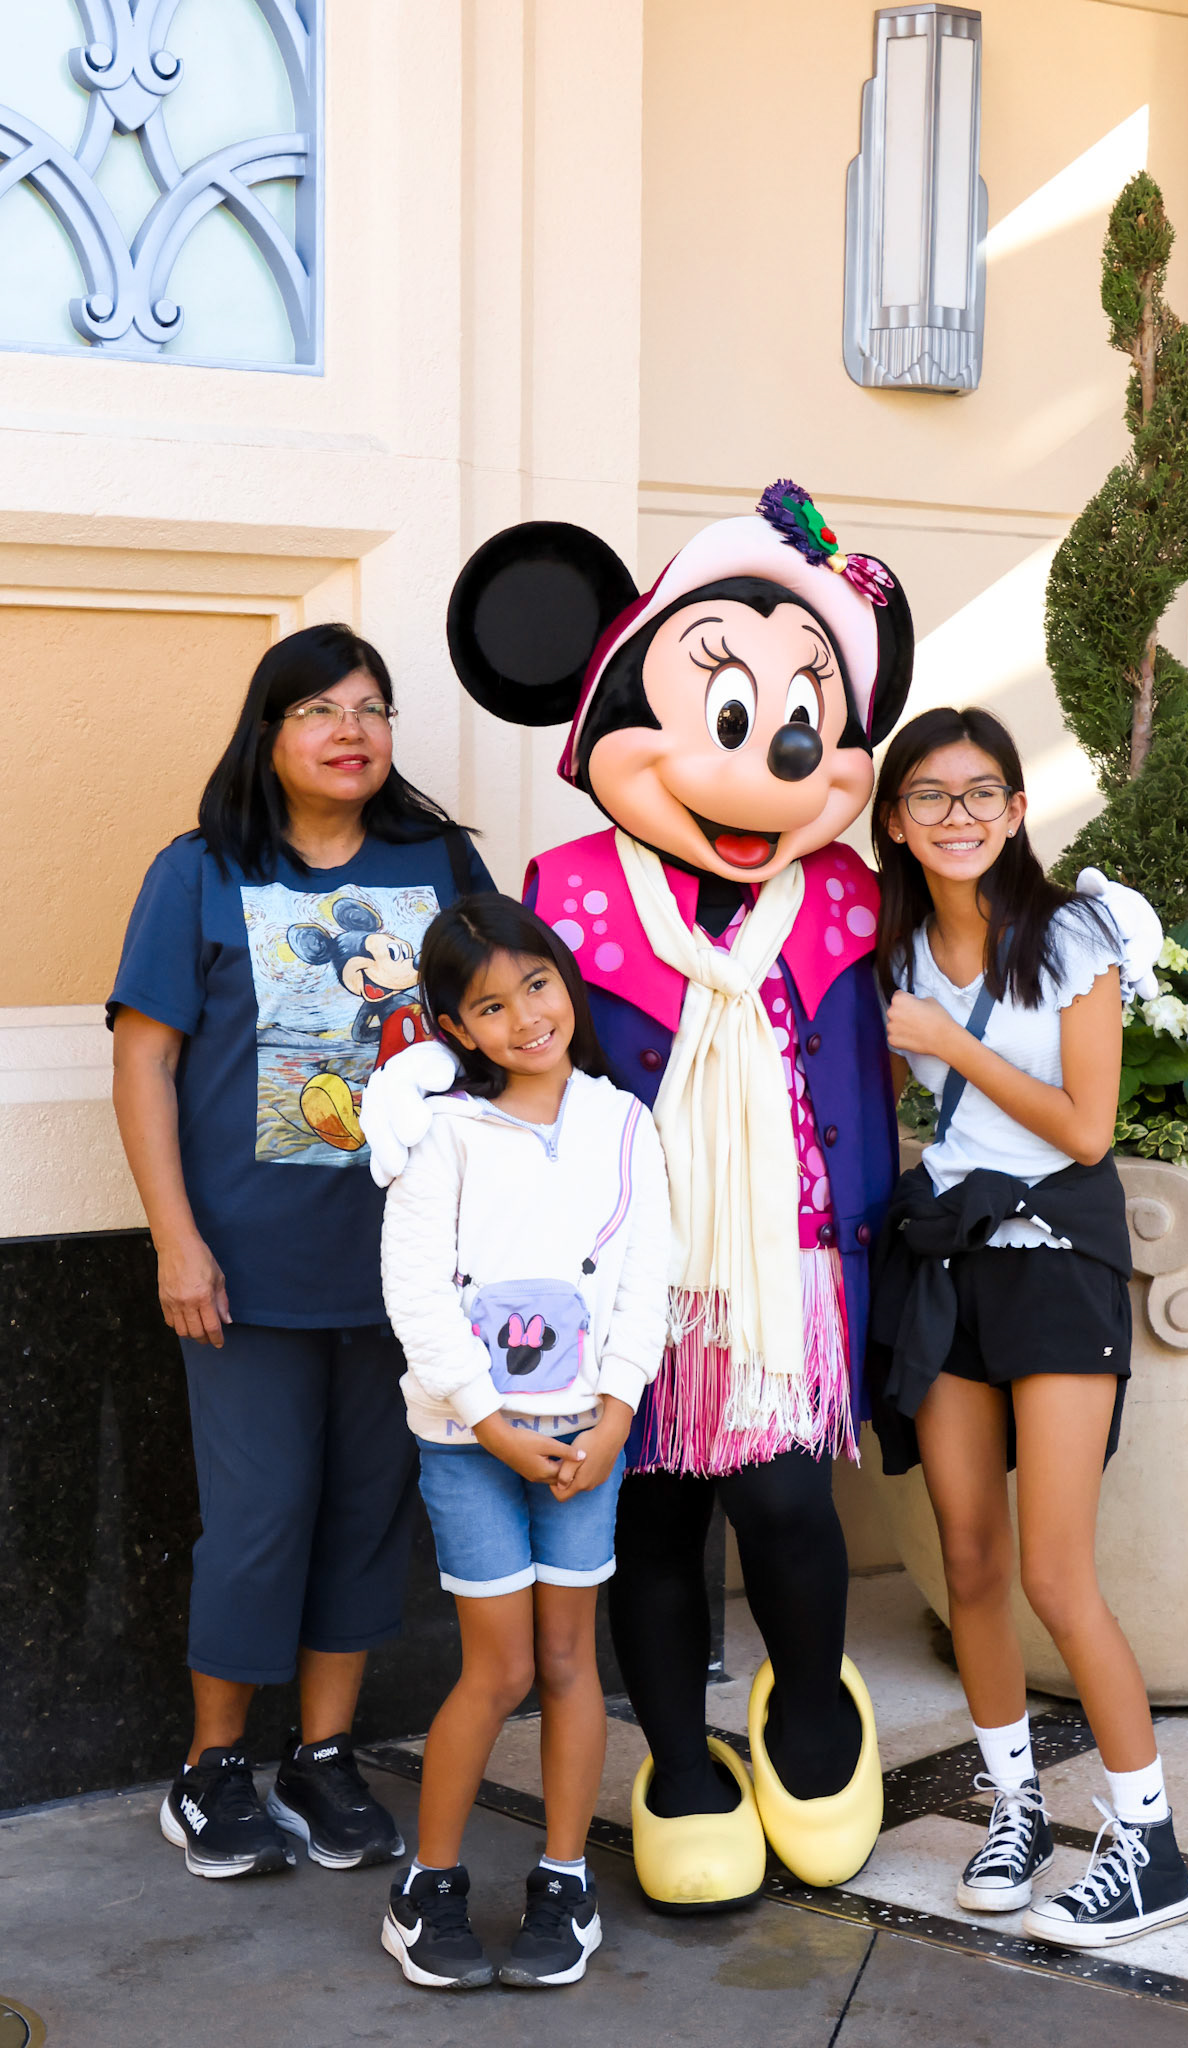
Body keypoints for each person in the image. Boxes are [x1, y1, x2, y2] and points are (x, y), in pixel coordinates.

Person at [365, 483, 911, 1908]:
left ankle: (808, 1706)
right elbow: (494, 1038)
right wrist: (415, 1095)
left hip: (790, 1266)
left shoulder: (847, 897)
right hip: (610, 1279)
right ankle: (677, 1757)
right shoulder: (568, 892)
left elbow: (902, 1040)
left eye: (807, 717)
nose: (773, 753)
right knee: (655, 1521)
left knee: (788, 1503)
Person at [108, 621, 493, 1880]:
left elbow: (504, 1025)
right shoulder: (201, 869)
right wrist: (176, 1240)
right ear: (269, 732)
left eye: (371, 708)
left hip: (407, 1269)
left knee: (365, 1515)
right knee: (260, 1517)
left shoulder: (440, 861)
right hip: (246, 1273)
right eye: (320, 708)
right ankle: (211, 1766)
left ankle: (324, 1755)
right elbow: (145, 1060)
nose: (350, 730)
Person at [867, 705, 1188, 1949]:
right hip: (950, 1261)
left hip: (1056, 1254)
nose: (957, 815)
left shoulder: (1068, 933)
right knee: (970, 1560)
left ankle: (1149, 1844)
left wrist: (950, 1040)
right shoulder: (895, 947)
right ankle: (1016, 1809)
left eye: (981, 792)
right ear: (896, 819)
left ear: (1015, 809)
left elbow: (1086, 1127)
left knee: (1056, 1568)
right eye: (930, 795)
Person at [376, 894, 669, 1989]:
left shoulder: (623, 1122)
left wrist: (618, 1410)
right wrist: (490, 1422)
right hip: (471, 1444)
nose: (526, 1016)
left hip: (589, 1439)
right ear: (457, 1027)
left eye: (536, 985)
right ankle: (427, 1886)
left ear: (564, 979)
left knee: (567, 1660)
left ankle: (564, 1879)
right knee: (498, 1668)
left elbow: (648, 1277)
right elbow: (415, 1294)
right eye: (491, 1006)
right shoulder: (444, 1133)